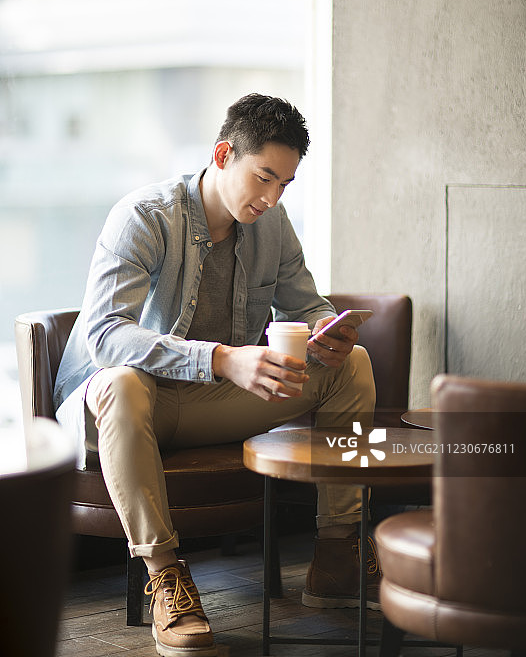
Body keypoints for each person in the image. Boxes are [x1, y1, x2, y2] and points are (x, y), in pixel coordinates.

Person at [54, 93, 377, 657]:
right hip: (118, 409)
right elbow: (105, 337)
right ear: (224, 153)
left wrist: (328, 328)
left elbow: (307, 303)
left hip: (205, 406)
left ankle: (335, 557)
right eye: (264, 177)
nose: (273, 197)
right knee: (123, 382)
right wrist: (222, 359)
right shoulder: (145, 216)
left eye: (286, 184)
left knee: (353, 365)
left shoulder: (272, 225)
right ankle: (165, 578)